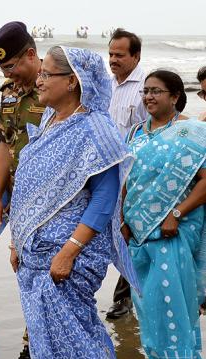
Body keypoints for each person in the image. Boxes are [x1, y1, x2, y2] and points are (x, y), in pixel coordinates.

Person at [10, 46, 148, 359]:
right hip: (35, 254)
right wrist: (18, 239)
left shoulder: (96, 129)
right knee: (48, 339)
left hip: (68, 257)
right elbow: (31, 190)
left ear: (72, 81)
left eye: (46, 75)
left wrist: (69, 250)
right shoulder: (51, 123)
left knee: (80, 336)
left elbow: (104, 199)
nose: (38, 80)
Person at [121, 70, 206, 359]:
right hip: (137, 233)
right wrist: (123, 220)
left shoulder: (193, 133)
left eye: (156, 91)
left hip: (174, 232)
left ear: (174, 96)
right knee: (144, 300)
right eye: (145, 91)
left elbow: (205, 181)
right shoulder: (134, 134)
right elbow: (125, 180)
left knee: (164, 299)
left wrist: (176, 213)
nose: (149, 97)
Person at [0, 21, 46, 359]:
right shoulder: (9, 93)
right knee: (26, 273)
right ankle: (37, 354)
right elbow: (6, 144)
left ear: (31, 55)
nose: (9, 75)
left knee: (47, 278)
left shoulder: (61, 89)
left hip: (56, 200)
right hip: (22, 199)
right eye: (3, 70)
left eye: (12, 67)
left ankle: (33, 358)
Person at [105, 28, 150, 320]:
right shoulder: (107, 86)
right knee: (112, 235)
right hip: (108, 176)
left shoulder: (146, 87)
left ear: (135, 56)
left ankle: (124, 300)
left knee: (129, 235)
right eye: (110, 54)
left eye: (119, 55)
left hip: (134, 176)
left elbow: (151, 134)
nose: (113, 60)